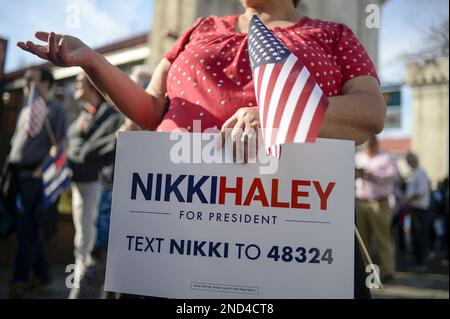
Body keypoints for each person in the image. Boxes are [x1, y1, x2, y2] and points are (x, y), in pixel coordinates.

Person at [18, 0, 386, 299]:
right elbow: (151, 108)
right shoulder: (202, 28)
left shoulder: (333, 35)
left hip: (290, 229)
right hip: (176, 223)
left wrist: (274, 115)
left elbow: (369, 114)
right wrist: (93, 62)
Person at [5, 68, 68, 298]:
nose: (27, 83)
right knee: (26, 228)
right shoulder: (26, 106)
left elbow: (61, 145)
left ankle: (19, 279)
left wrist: (40, 171)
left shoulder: (57, 110)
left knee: (27, 229)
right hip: (15, 173)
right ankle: (43, 274)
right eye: (26, 78)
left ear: (46, 84)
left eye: (33, 80)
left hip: (34, 176)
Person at [67, 73, 124, 298]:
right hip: (78, 186)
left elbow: (88, 152)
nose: (76, 86)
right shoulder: (81, 116)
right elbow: (73, 148)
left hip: (101, 187)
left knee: (96, 250)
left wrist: (85, 150)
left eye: (81, 82)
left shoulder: (112, 115)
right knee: (81, 242)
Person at [355, 135, 399, 283]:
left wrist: (371, 174)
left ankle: (387, 271)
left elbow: (393, 176)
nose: (369, 146)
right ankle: (365, 272)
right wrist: (358, 173)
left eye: (371, 143)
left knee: (383, 238)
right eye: (367, 144)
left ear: (376, 143)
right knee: (362, 239)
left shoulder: (387, 157)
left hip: (379, 202)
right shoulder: (358, 157)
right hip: (360, 201)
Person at [404, 152, 431, 271]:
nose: (408, 164)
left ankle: (421, 263)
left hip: (420, 209)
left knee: (420, 235)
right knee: (415, 235)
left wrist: (408, 200)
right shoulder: (414, 173)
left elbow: (421, 192)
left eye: (409, 161)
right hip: (415, 208)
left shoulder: (421, 173)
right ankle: (417, 260)